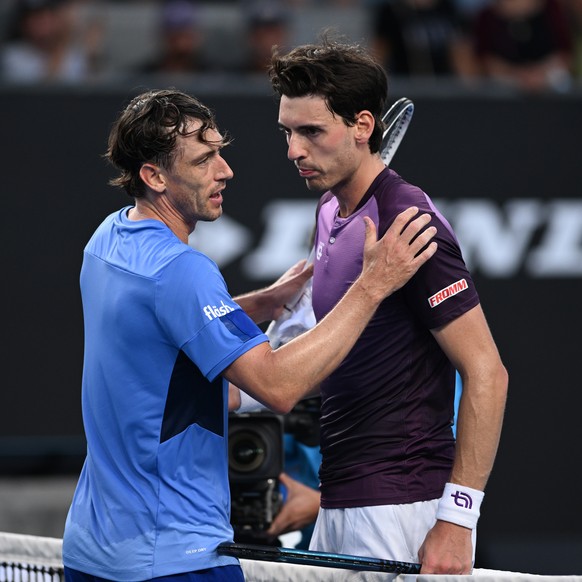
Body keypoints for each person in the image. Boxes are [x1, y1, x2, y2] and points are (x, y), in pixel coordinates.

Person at [61, 87, 438, 582]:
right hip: (174, 560)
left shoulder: (107, 239)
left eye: (220, 152)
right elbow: (278, 387)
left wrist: (254, 306)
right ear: (154, 176)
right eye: (203, 160)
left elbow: (156, 340)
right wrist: (372, 286)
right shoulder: (184, 271)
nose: (225, 171)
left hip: (91, 553)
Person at [267, 34, 508, 574]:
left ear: (362, 126)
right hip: (339, 498)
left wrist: (457, 520)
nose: (293, 151)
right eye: (287, 132)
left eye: (310, 132)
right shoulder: (330, 209)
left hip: (402, 510)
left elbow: (488, 372)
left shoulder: (410, 225)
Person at [471, 0, 573, 92]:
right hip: (503, 97)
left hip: (550, 94)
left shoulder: (552, 9)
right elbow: (484, 60)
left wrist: (541, 75)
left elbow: (564, 53)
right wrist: (516, 77)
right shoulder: (486, 17)